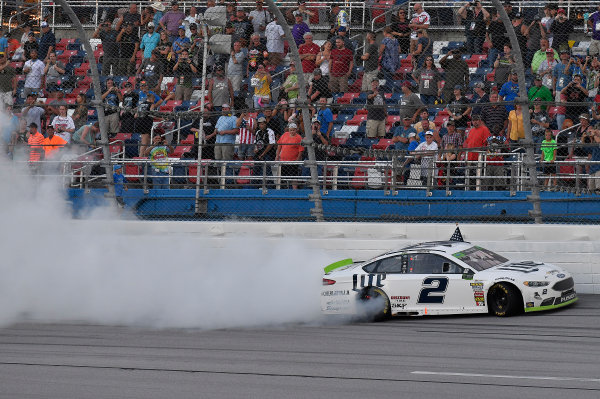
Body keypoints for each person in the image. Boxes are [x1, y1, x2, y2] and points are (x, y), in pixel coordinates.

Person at [276, 123, 303, 189]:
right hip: (283, 160)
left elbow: (301, 150)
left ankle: (294, 190)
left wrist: (297, 160)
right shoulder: (285, 135)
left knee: (293, 177)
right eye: (291, 130)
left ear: (296, 130)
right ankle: (282, 189)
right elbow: (279, 145)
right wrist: (277, 155)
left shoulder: (299, 138)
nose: (292, 131)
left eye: (293, 130)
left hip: (293, 161)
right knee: (282, 176)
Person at [378, 27, 399, 93]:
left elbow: (381, 50)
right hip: (395, 62)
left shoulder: (385, 40)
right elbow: (399, 50)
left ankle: (388, 91)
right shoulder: (395, 40)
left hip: (387, 61)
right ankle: (391, 89)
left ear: (385, 32)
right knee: (390, 76)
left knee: (386, 77)